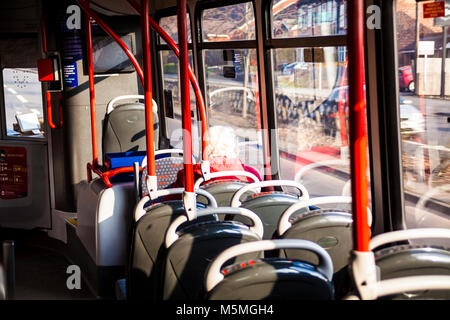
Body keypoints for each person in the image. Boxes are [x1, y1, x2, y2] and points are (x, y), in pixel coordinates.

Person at [164, 126, 261, 199]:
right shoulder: (253, 175)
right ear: (233, 146)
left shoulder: (190, 174)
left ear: (204, 147)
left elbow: (172, 201)